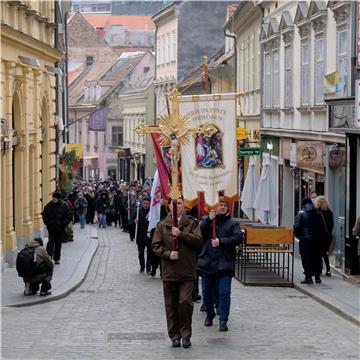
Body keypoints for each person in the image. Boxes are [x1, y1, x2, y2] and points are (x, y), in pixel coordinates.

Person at [152, 198, 202, 349]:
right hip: (170, 272)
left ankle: (186, 335)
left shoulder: (192, 223)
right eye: (174, 203)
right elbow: (155, 245)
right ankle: (174, 336)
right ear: (168, 206)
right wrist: (167, 254)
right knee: (171, 305)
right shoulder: (162, 225)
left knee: (185, 302)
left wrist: (181, 234)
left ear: (184, 206)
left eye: (179, 203)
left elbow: (198, 242)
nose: (177, 206)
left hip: (187, 271)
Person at [197, 198, 243, 331]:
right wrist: (208, 220)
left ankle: (223, 319)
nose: (223, 207)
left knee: (224, 292)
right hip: (208, 263)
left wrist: (221, 241)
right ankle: (210, 314)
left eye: (224, 205)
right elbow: (199, 233)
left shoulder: (232, 223)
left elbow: (238, 238)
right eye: (220, 205)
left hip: (224, 264)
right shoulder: (207, 220)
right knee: (207, 292)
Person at [294, 197, 324, 284]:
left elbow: (296, 227)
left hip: (305, 240)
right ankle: (317, 277)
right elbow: (321, 227)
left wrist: (299, 236)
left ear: (303, 204)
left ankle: (308, 277)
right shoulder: (318, 213)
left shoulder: (301, 214)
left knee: (306, 258)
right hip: (317, 240)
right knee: (317, 257)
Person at [42, 192, 72, 264]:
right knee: (50, 243)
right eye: (53, 198)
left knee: (58, 244)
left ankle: (57, 258)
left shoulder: (64, 205)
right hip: (51, 228)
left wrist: (63, 224)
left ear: (58, 198)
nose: (54, 199)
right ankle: (49, 257)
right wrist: (47, 223)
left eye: (55, 198)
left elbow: (69, 215)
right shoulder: (49, 205)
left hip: (60, 229)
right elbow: (44, 214)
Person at [314, 196, 334, 277]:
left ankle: (319, 270)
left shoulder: (317, 212)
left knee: (318, 253)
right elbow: (332, 225)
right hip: (327, 236)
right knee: (325, 253)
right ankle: (328, 270)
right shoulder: (330, 212)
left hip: (319, 236)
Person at [133, 196, 151, 273]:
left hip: (149, 234)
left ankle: (148, 267)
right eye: (144, 203)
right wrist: (135, 221)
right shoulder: (138, 211)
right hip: (140, 235)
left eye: (147, 203)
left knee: (149, 252)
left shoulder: (151, 212)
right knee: (141, 252)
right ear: (142, 203)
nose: (146, 205)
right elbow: (132, 221)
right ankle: (142, 266)